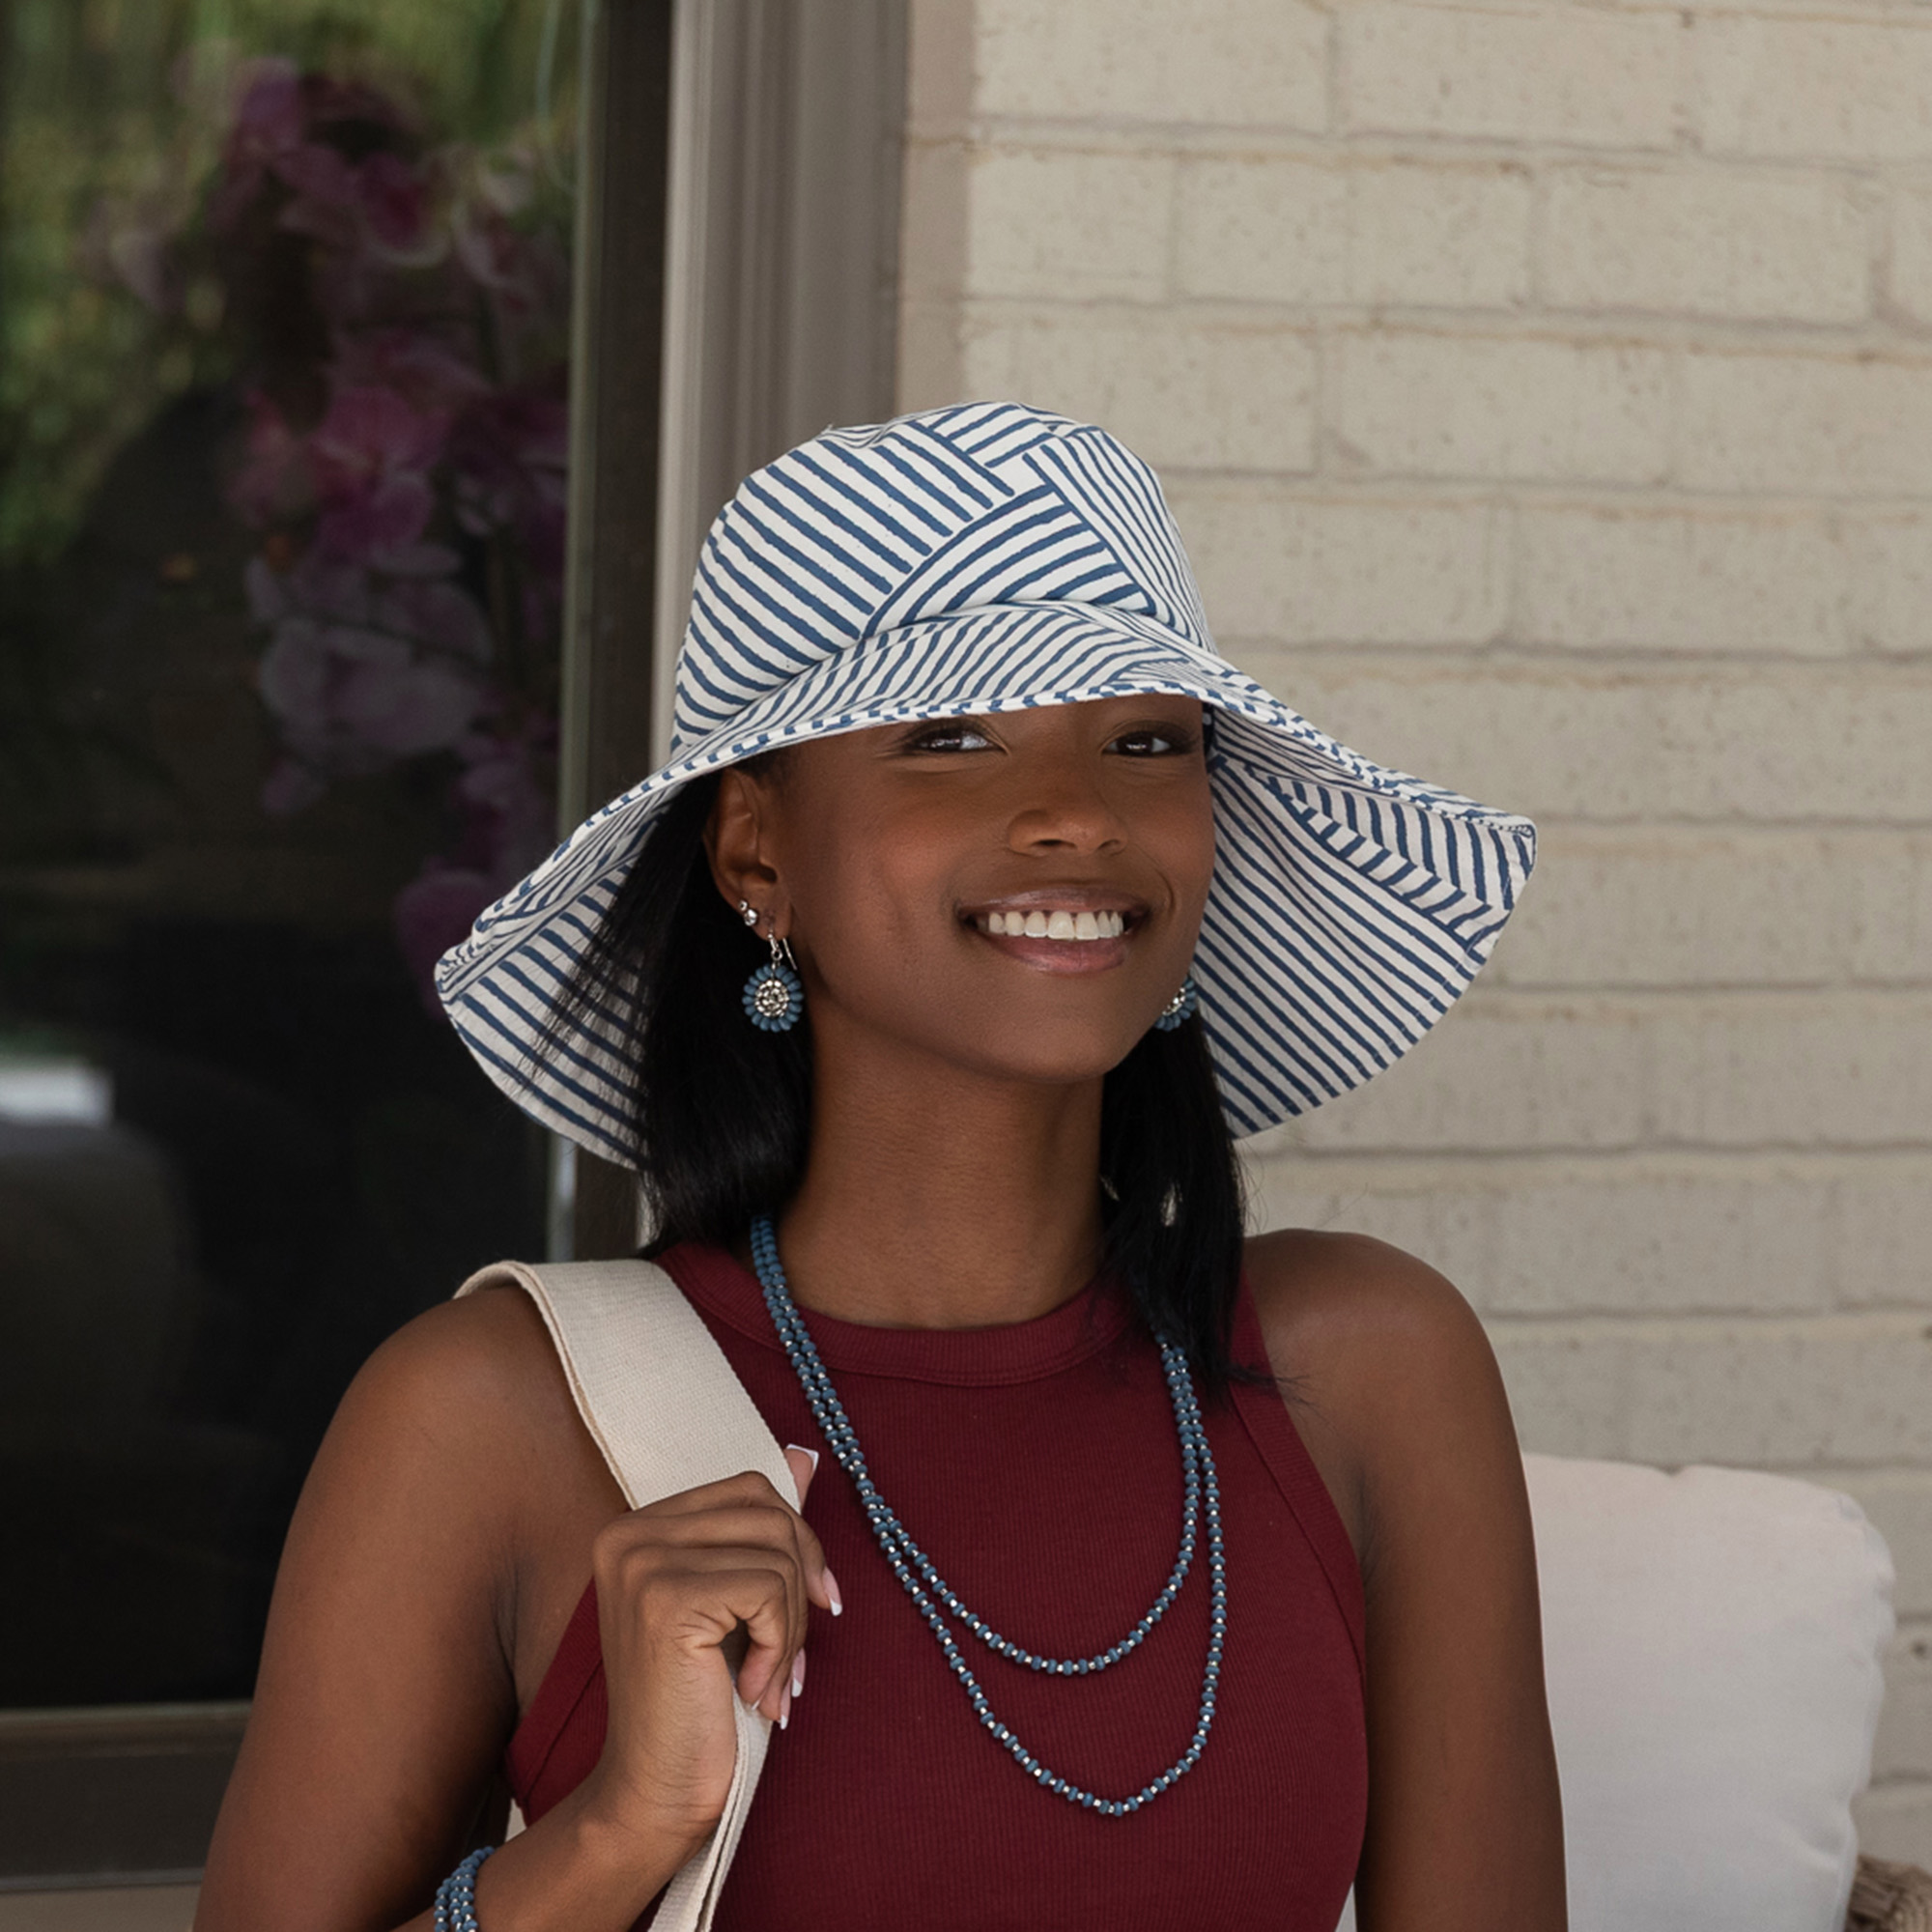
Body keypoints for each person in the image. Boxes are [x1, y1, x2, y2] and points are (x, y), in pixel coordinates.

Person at [195, 403, 1566, 1932]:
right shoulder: (489, 1419)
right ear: (755, 855)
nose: (1075, 814)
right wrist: (612, 1834)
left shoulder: (1369, 1372)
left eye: (1149, 741)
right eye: (954, 738)